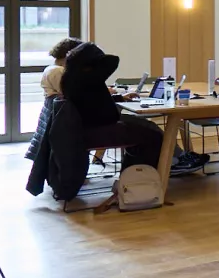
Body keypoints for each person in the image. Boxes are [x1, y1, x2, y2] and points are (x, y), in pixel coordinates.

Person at [55, 41, 164, 181]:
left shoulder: (72, 77)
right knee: (153, 135)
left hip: (88, 128)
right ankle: (140, 177)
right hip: (97, 130)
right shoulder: (88, 77)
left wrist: (119, 97)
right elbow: (113, 60)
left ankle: (131, 175)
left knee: (144, 126)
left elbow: (92, 97)